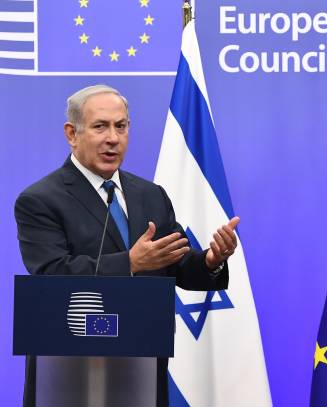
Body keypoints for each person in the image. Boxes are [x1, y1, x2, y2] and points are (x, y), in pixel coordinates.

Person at [14, 85, 240, 406]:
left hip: (142, 366)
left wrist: (210, 261)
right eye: (100, 126)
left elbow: (174, 265)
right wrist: (130, 264)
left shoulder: (150, 195)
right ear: (71, 133)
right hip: (70, 369)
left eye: (121, 126)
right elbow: (51, 274)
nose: (112, 138)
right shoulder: (39, 200)